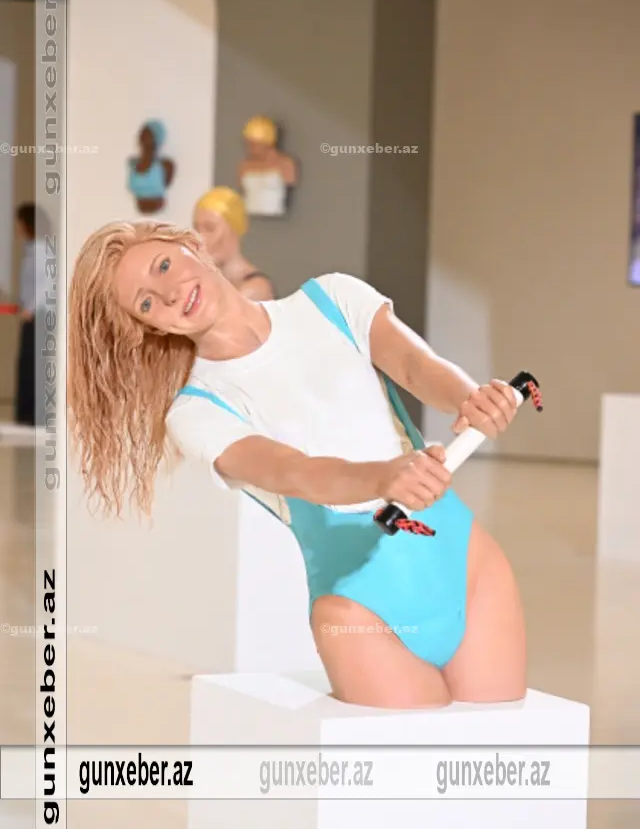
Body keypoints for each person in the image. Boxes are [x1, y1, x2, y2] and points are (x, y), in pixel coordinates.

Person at [68, 219, 526, 710]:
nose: (169, 292)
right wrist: (383, 477)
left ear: (190, 246)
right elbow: (294, 472)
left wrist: (471, 399)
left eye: (163, 265)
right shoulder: (195, 411)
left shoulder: (332, 298)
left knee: (501, 750)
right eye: (146, 303)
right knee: (413, 760)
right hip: (360, 612)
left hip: (467, 564)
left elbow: (417, 366)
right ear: (152, 328)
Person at [193, 187, 275, 300]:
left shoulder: (255, 289)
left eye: (210, 228)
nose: (200, 237)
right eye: (196, 229)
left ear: (234, 229)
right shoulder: (205, 281)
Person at [14, 203, 47, 426]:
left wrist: (31, 308)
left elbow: (48, 284)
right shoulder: (30, 250)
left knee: (33, 364)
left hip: (39, 316)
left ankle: (32, 415)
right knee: (26, 363)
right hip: (30, 315)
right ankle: (24, 415)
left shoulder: (43, 251)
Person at [238, 116, 297, 217]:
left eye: (253, 144)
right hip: (250, 219)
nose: (249, 148)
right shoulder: (244, 166)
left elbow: (290, 181)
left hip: (277, 221)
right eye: (248, 143)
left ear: (267, 142)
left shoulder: (286, 164)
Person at [127, 120, 175, 214]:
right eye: (143, 137)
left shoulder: (166, 165)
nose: (145, 141)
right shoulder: (131, 163)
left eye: (150, 139)